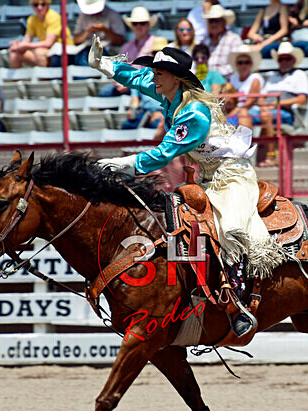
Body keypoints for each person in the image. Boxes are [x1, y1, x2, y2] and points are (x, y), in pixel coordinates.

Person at [89, 38, 284, 337]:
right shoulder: (170, 94)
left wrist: (121, 162)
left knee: (230, 228)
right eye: (154, 72)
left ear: (175, 79)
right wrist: (104, 65)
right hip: (207, 176)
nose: (153, 77)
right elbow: (137, 77)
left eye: (159, 73)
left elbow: (164, 153)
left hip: (231, 175)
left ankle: (238, 301)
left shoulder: (194, 114)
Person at [251, 42, 308, 165]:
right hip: (267, 110)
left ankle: (271, 156)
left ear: (293, 60)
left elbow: (301, 100)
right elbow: (262, 97)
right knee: (242, 115)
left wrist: (278, 103)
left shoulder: (299, 75)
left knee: (265, 116)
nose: (284, 62)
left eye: (287, 59)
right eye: (281, 59)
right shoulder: (273, 76)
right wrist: (264, 105)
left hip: (286, 113)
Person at [8, 0, 73, 68]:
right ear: (32, 6)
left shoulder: (53, 17)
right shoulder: (32, 19)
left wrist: (25, 45)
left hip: (62, 53)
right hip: (47, 53)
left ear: (48, 5)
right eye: (36, 5)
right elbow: (26, 41)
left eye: (43, 4)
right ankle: (20, 78)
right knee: (14, 54)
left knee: (39, 52)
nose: (39, 7)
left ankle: (44, 77)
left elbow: (48, 43)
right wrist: (17, 46)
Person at [72, 0, 125, 64]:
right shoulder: (83, 16)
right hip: (86, 49)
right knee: (80, 58)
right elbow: (76, 41)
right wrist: (87, 31)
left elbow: (120, 41)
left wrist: (105, 30)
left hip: (106, 49)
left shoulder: (113, 15)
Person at [226, 45, 264, 128]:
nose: (243, 65)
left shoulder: (255, 78)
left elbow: (251, 101)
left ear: (251, 64)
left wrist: (235, 111)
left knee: (242, 114)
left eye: (247, 62)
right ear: (236, 64)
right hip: (236, 110)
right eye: (240, 62)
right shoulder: (233, 78)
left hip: (252, 110)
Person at [201, 4, 242, 78]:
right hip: (206, 81)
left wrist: (215, 75)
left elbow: (236, 65)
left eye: (217, 21)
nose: (214, 24)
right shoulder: (204, 41)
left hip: (226, 81)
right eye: (211, 21)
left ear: (224, 22)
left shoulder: (233, 39)